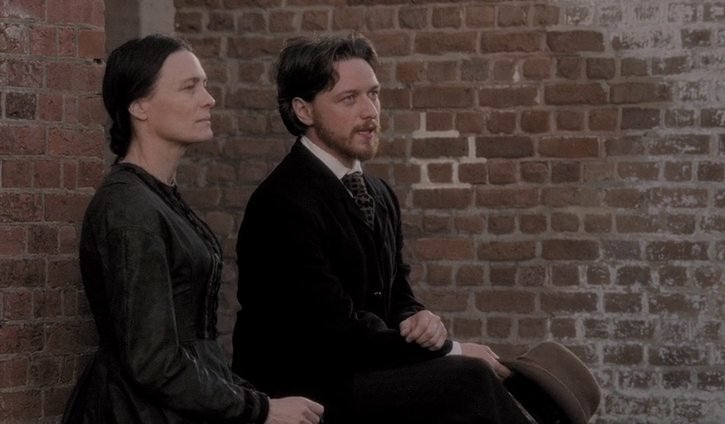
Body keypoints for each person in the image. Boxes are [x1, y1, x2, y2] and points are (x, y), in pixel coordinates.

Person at [231, 34, 533, 423]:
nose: (370, 111)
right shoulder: (282, 202)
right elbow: (335, 331)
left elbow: (397, 293)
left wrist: (418, 318)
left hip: (363, 371)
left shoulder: (378, 192)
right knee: (469, 377)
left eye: (373, 94)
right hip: (305, 389)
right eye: (349, 98)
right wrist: (451, 350)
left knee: (518, 376)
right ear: (303, 111)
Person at [62, 34, 323, 424]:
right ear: (139, 105)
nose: (209, 99)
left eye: (204, 85)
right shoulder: (128, 207)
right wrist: (260, 409)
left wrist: (254, 399)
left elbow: (195, 348)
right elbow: (153, 361)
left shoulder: (157, 196)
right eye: (189, 87)